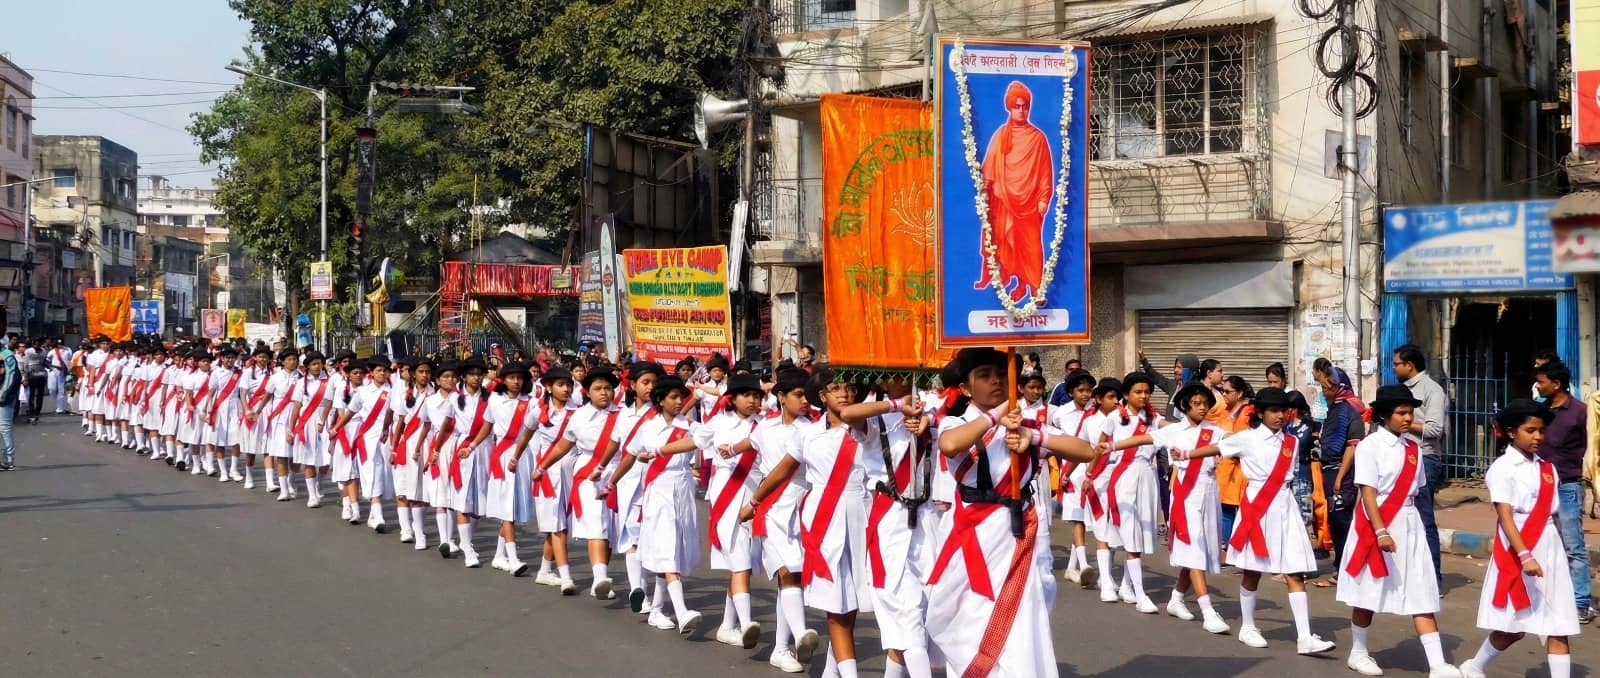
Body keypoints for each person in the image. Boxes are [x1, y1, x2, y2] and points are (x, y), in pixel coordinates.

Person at [1184, 387, 1337, 655]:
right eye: (1274, 411)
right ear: (1261, 413)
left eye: (1283, 411)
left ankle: (1305, 637)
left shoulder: (1290, 442)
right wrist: (1186, 454)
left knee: (1295, 570)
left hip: (1285, 505)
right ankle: (1248, 626)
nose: (1280, 416)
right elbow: (1217, 447)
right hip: (1258, 505)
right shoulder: (1247, 439)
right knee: (1253, 570)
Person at [741, 366, 870, 675]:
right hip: (822, 519)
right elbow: (783, 469)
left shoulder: (868, 428)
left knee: (850, 601)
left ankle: (832, 669)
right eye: (835, 388)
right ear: (822, 396)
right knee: (834, 600)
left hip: (863, 516)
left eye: (850, 387)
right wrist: (755, 501)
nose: (844, 392)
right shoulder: (808, 433)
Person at [1337, 385, 1461, 677]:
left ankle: (1437, 664)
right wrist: (1380, 531)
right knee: (1368, 593)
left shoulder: (1413, 449)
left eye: (1410, 412)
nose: (1408, 418)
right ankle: (1358, 652)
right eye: (1401, 413)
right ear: (1383, 415)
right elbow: (1368, 493)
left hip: (1408, 524)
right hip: (1375, 523)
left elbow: (1415, 492)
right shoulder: (1369, 446)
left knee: (1421, 592)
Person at [1458, 399, 1581, 678]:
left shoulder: (1548, 469)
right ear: (1512, 432)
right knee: (1513, 628)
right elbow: (1505, 516)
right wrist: (1525, 555)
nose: (1538, 436)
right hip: (1518, 548)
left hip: (1549, 547)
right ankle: (1474, 667)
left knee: (1558, 626)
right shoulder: (1503, 468)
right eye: (1530, 430)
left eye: (1541, 431)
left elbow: (1554, 516)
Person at [610, 376, 702, 636]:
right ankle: (682, 611)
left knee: (674, 548)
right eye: (672, 397)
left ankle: (658, 609)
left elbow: (696, 442)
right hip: (658, 490)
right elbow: (629, 455)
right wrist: (611, 482)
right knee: (666, 545)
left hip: (682, 490)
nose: (677, 402)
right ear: (660, 400)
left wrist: (660, 451)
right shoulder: (648, 428)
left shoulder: (691, 426)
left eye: (680, 397)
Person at [1147, 382, 1230, 633]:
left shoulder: (1215, 431)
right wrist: (1113, 446)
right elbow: (1146, 438)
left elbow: (1237, 443)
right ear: (1185, 405)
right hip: (1186, 493)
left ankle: (1176, 598)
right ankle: (1208, 611)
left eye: (1205, 403)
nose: (1202, 408)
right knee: (1193, 546)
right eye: (1197, 403)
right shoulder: (1175, 431)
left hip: (1209, 491)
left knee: (1199, 548)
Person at [694, 372, 767, 649]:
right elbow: (694, 441)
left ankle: (727, 625)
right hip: (727, 495)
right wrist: (661, 451)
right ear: (732, 398)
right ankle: (747, 622)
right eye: (747, 395)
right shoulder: (718, 423)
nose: (753, 400)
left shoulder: (764, 426)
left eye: (757, 395)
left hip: (755, 496)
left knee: (742, 563)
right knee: (740, 562)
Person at [972, 81, 1054, 303]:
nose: (1021, 110)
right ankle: (1020, 284)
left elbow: (1046, 172)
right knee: (1011, 246)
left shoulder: (1038, 138)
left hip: (1030, 205)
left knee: (1031, 247)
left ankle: (1036, 289)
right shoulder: (1001, 135)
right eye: (1017, 106)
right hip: (1004, 202)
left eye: (1025, 106)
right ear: (1009, 106)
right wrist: (986, 191)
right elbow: (989, 167)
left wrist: (1044, 197)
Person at [457, 361, 537, 576]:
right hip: (501, 455)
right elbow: (487, 426)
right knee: (507, 508)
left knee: (512, 507)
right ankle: (512, 558)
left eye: (520, 378)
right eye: (512, 377)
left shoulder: (531, 403)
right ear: (504, 379)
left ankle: (500, 555)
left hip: (522, 455)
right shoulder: (495, 399)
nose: (516, 381)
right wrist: (471, 446)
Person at [1531, 361, 1593, 623]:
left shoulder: (1580, 412)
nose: (1538, 385)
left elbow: (1592, 445)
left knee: (1573, 545)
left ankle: (1581, 601)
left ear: (1556, 384)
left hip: (1567, 485)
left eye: (1541, 381)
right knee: (1545, 542)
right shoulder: (1541, 412)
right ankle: (1553, 594)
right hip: (1541, 486)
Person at [1097, 372, 1164, 614]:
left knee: (1142, 529)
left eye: (1147, 392)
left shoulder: (1154, 418)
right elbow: (1101, 446)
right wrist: (1091, 474)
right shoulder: (1115, 417)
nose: (1143, 396)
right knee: (1125, 528)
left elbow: (1168, 429)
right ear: (1126, 395)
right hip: (1123, 475)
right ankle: (1139, 593)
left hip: (1147, 476)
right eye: (1138, 392)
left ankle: (1127, 586)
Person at [1393, 343, 1447, 589]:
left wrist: (1404, 422)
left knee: (1424, 520)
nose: (1394, 368)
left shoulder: (1432, 391)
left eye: (1397, 364)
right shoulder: (1399, 389)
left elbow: (1435, 430)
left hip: (1424, 458)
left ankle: (1432, 579)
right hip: (1400, 456)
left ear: (1409, 365)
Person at [523, 366, 581, 593]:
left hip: (570, 474)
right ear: (549, 387)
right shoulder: (538, 411)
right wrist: (516, 459)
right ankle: (566, 576)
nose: (566, 389)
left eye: (569, 385)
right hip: (547, 473)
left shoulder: (578, 412)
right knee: (558, 527)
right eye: (561, 384)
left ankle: (545, 571)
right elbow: (526, 435)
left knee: (558, 524)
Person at [1316, 366, 1367, 588]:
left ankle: (1348, 569)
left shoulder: (1348, 410)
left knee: (1341, 521)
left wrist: (1339, 478)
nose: (1324, 391)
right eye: (1323, 387)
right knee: (1336, 522)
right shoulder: (1335, 409)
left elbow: (1352, 446)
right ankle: (1343, 568)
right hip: (1330, 471)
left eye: (1328, 387)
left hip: (1341, 474)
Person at [1048, 368, 1098, 586]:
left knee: (1088, 519)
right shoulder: (1060, 414)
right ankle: (1085, 563)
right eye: (1081, 390)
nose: (1085, 394)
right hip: (1070, 470)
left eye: (1089, 390)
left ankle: (1070, 567)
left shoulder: (1096, 413)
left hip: (1092, 469)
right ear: (1070, 392)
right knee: (1077, 517)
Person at [0, 338, 17, 470]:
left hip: (5, 398)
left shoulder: (7, 355)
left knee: (5, 428)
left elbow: (10, 377)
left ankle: (8, 460)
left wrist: (3, 395)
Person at [22, 342, 46, 424]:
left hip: (41, 375)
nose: (37, 346)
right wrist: (25, 377)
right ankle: (31, 411)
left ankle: (37, 412)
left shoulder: (43, 351)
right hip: (32, 375)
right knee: (31, 394)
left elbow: (44, 362)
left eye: (38, 345)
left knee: (40, 394)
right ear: (33, 345)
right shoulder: (29, 352)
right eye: (35, 345)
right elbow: (25, 365)